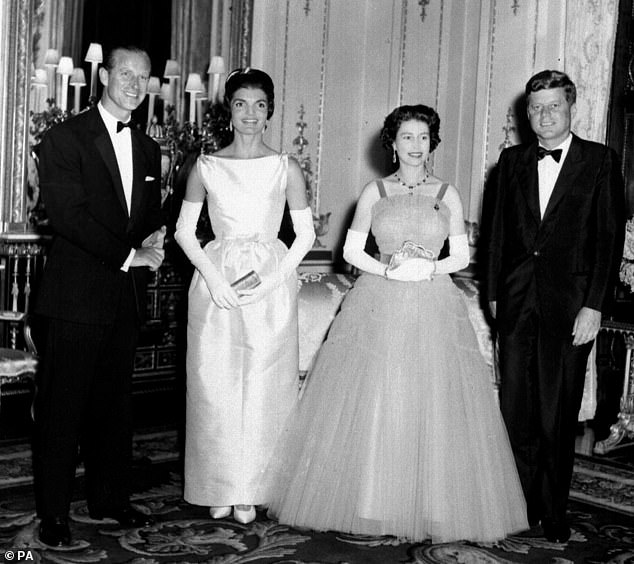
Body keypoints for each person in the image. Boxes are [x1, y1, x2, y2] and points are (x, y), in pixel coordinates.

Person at [264, 104, 528, 544]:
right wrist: (390, 269)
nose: (415, 146)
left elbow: (462, 255)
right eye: (407, 137)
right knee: (382, 397)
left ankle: (433, 504)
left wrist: (428, 267)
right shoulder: (375, 191)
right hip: (380, 303)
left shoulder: (447, 192)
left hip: (433, 303)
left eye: (423, 137)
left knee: (432, 401)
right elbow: (350, 250)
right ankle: (375, 503)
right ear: (392, 143)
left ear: (432, 143)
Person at [33, 45, 165, 547]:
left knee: (114, 406)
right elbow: (69, 216)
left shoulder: (150, 148)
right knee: (62, 409)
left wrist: (154, 239)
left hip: (123, 298)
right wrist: (130, 255)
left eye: (143, 76)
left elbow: (147, 218)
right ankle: (54, 515)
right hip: (74, 297)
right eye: (125, 73)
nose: (134, 83)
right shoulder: (65, 138)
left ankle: (109, 498)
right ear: (104, 75)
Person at [486, 70, 625, 543]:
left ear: (571, 109)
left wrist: (595, 306)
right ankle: (518, 506)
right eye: (536, 107)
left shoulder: (601, 161)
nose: (545, 115)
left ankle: (553, 509)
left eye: (554, 107)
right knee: (515, 409)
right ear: (526, 114)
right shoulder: (510, 162)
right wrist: (493, 294)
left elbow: (607, 241)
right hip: (517, 302)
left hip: (572, 308)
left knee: (556, 412)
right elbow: (497, 235)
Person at [174, 68, 315, 525]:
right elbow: (183, 231)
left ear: (269, 111)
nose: (250, 114)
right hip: (216, 282)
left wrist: (271, 281)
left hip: (268, 284)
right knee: (215, 385)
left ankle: (252, 489)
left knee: (262, 389)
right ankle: (219, 482)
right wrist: (215, 280)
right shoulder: (206, 165)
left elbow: (305, 235)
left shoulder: (284, 166)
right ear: (228, 110)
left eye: (259, 105)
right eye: (240, 104)